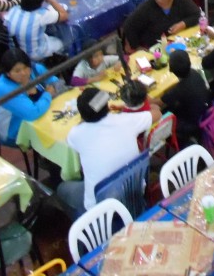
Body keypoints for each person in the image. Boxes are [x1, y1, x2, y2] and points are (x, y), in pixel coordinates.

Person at [56, 85, 155, 219]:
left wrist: (85, 120)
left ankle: (86, 227)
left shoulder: (76, 134)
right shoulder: (126, 120)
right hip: (134, 191)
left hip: (102, 206)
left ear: (83, 115)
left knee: (62, 188)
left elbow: (73, 142)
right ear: (107, 106)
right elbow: (157, 113)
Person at [0, 48, 61, 146]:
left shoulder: (35, 69)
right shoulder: (4, 89)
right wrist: (47, 94)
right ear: (8, 73)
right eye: (17, 71)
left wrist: (52, 88)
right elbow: (32, 113)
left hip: (39, 115)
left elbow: (56, 83)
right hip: (13, 133)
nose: (23, 73)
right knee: (57, 135)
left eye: (25, 68)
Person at [122, 0, 203, 51]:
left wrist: (182, 24)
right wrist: (136, 47)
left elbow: (197, 14)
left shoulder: (181, 0)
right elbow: (129, 25)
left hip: (176, 41)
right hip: (154, 46)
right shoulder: (148, 6)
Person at [158, 49, 210, 147]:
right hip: (202, 113)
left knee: (162, 112)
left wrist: (145, 96)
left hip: (190, 123)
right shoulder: (194, 73)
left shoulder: (179, 89)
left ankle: (182, 143)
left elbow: (158, 102)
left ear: (172, 71)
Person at [4, 0, 70, 60]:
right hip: (34, 54)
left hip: (15, 49)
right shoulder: (41, 15)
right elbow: (65, 15)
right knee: (62, 43)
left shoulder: (14, 9)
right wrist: (51, 0)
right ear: (41, 3)